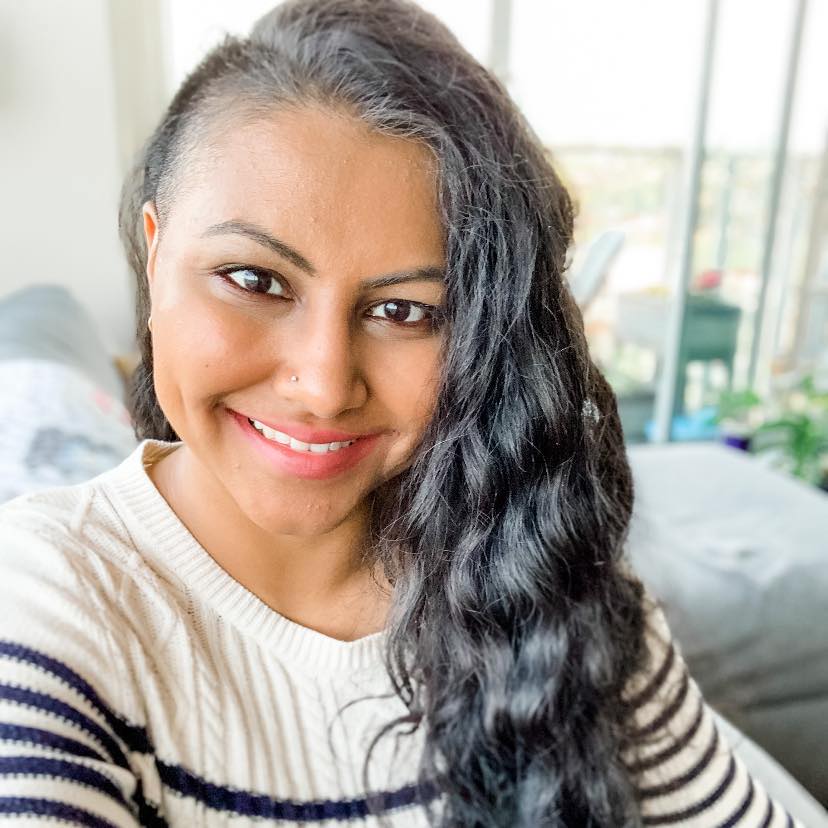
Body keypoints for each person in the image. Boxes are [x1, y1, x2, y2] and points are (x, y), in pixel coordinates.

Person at [0, 1, 806, 825]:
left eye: (405, 312)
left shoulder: (542, 582)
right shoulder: (45, 601)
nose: (322, 384)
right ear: (156, 247)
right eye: (253, 280)